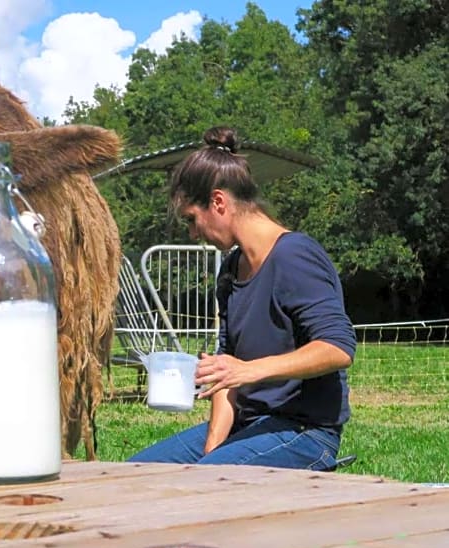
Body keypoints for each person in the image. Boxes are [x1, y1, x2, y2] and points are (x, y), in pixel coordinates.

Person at [128, 126, 356, 470]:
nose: (193, 234)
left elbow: (338, 348)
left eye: (192, 219)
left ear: (218, 202)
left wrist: (249, 371)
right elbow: (226, 368)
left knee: (198, 488)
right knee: (134, 475)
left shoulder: (294, 256)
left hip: (304, 432)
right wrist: (212, 448)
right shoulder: (230, 270)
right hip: (246, 425)